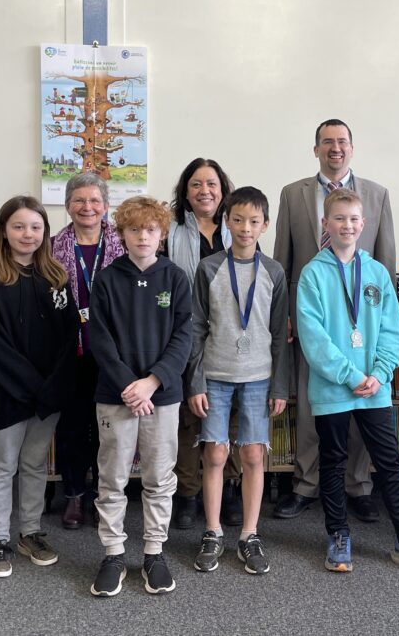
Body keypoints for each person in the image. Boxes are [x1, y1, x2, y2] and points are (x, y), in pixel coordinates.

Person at [296, 188, 399, 576]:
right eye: (339, 218)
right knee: (333, 463)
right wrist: (351, 376)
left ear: (363, 225)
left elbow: (391, 331)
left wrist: (379, 374)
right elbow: (314, 339)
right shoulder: (313, 273)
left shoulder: (377, 272)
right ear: (325, 224)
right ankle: (338, 536)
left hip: (374, 390)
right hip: (333, 389)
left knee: (389, 464)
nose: (347, 225)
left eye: (353, 219)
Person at [273, 118, 396, 522]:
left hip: (365, 320)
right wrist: (285, 316)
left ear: (352, 148)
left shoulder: (376, 196)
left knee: (362, 402)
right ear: (316, 149)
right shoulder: (293, 194)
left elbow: (386, 262)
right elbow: (282, 262)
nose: (335, 148)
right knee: (313, 403)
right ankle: (307, 484)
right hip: (316, 319)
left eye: (342, 141)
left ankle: (357, 485)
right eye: (327, 142)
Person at [0, 196, 80, 578]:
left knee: (34, 465)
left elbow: (69, 339)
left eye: (35, 227)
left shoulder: (57, 277)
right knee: (2, 467)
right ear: (3, 231)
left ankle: (29, 532)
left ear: (45, 232)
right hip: (7, 394)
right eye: (18, 226)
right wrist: (33, 386)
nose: (27, 234)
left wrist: (51, 388)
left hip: (48, 396)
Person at [88, 196, 192, 597]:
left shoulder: (176, 278)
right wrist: (129, 386)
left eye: (150, 229)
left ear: (161, 234)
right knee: (112, 477)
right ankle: (113, 553)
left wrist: (152, 382)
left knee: (159, 477)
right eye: (134, 229)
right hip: (115, 395)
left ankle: (153, 552)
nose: (143, 236)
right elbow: (100, 339)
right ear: (122, 235)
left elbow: (184, 337)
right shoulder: (107, 278)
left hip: (161, 396)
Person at [186, 186, 289, 575]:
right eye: (238, 220)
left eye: (254, 221)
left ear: (265, 225)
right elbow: (195, 329)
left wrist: (280, 386)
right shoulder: (208, 268)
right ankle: (212, 531)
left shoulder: (274, 272)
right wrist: (194, 383)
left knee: (251, 454)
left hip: (259, 378)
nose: (245, 228)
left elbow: (280, 334)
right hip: (215, 375)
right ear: (226, 222)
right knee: (214, 453)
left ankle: (249, 533)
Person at [167, 157, 243, 530]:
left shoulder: (238, 227)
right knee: (188, 417)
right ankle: (188, 494)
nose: (204, 191)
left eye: (211, 184)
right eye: (196, 184)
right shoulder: (170, 231)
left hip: (230, 335)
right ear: (185, 191)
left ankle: (228, 489)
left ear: (223, 189)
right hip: (184, 332)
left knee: (227, 415)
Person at [51, 172, 125, 530]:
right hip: (70, 353)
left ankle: (105, 495)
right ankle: (75, 496)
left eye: (95, 200)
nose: (87, 207)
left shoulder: (124, 247)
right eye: (79, 200)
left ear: (106, 206)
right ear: (67, 206)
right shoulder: (51, 250)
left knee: (109, 428)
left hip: (112, 353)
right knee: (74, 427)